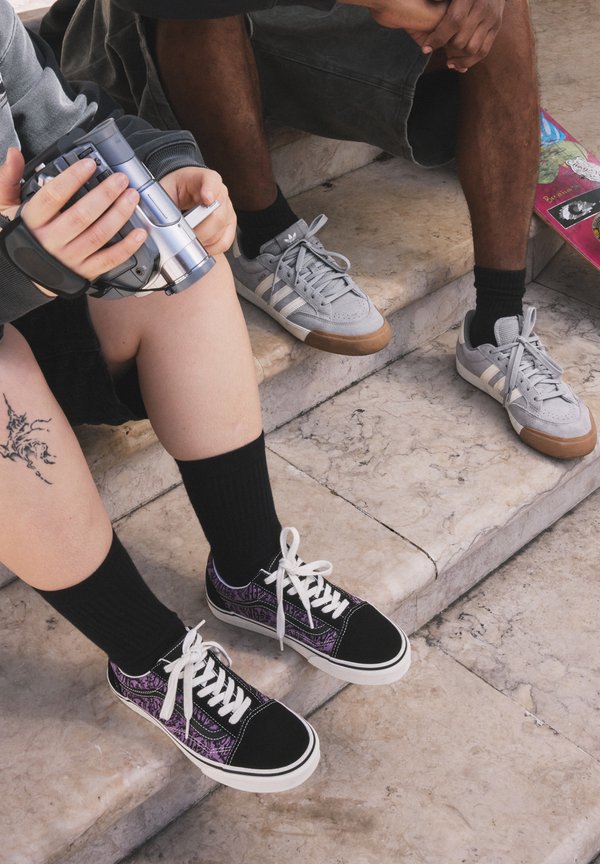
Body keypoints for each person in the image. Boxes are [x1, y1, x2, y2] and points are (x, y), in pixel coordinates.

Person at [0, 0, 410, 795]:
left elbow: (73, 122)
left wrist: (166, 167)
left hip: (30, 277)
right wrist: (27, 272)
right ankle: (148, 657)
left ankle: (250, 569)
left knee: (175, 254)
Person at [40, 0, 597, 459]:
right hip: (144, 27)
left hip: (295, 22)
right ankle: (262, 239)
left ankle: (497, 324)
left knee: (501, 9)